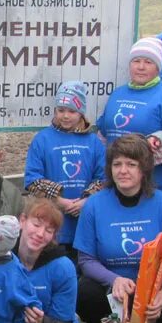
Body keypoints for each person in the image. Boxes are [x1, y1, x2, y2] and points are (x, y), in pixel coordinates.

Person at [73, 134, 162, 323]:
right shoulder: (94, 205)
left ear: (144, 168)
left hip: (151, 287)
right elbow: (86, 260)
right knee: (84, 293)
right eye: (117, 164)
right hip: (111, 287)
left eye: (131, 164)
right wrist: (114, 279)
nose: (123, 170)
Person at [13, 198, 85, 323]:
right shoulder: (4, 258)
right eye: (36, 225)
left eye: (49, 230)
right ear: (22, 221)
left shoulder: (62, 267)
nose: (39, 234)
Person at [97, 37, 162, 195]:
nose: (141, 67)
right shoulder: (117, 94)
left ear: (158, 67)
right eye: (136, 61)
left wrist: (138, 162)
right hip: (115, 183)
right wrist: (116, 166)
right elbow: (103, 136)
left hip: (154, 186)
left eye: (148, 62)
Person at [24, 81, 106, 252]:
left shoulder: (93, 142)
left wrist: (86, 201)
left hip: (85, 222)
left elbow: (104, 178)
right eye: (61, 110)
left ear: (81, 113)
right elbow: (32, 180)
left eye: (72, 111)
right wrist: (59, 201)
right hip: (51, 224)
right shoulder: (42, 139)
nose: (66, 116)